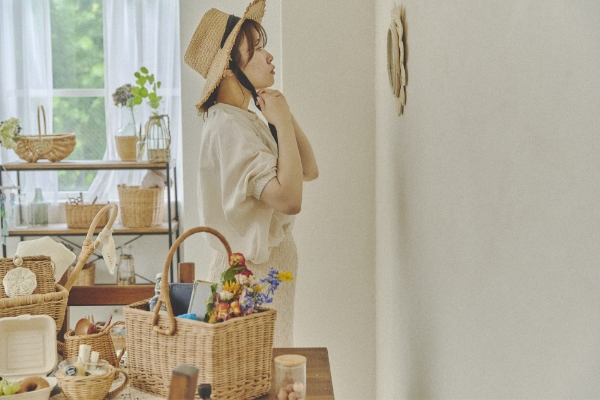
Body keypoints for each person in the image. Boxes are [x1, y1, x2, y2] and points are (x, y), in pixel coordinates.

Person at [184, 0, 318, 347]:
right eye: (256, 49)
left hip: (264, 272)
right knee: (258, 368)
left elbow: (308, 169)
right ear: (229, 69)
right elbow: (289, 200)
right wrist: (281, 122)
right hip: (253, 276)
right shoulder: (229, 127)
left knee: (266, 364)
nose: (268, 56)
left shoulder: (242, 118)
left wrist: (283, 115)